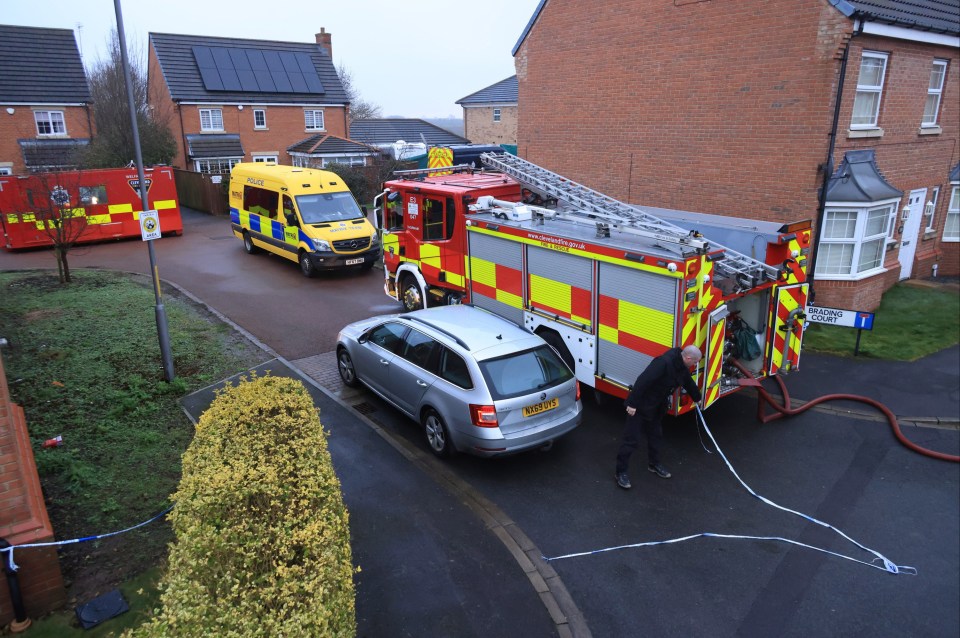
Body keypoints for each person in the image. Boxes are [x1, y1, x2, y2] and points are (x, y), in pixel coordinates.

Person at [615, 345, 702, 489]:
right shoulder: (663, 363)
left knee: (656, 435)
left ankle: (654, 464)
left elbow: (687, 381)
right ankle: (621, 472)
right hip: (640, 405)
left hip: (656, 407)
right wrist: (632, 404)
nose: (695, 364)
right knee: (631, 440)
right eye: (695, 361)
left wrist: (697, 398)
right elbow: (643, 381)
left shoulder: (682, 366)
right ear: (688, 358)